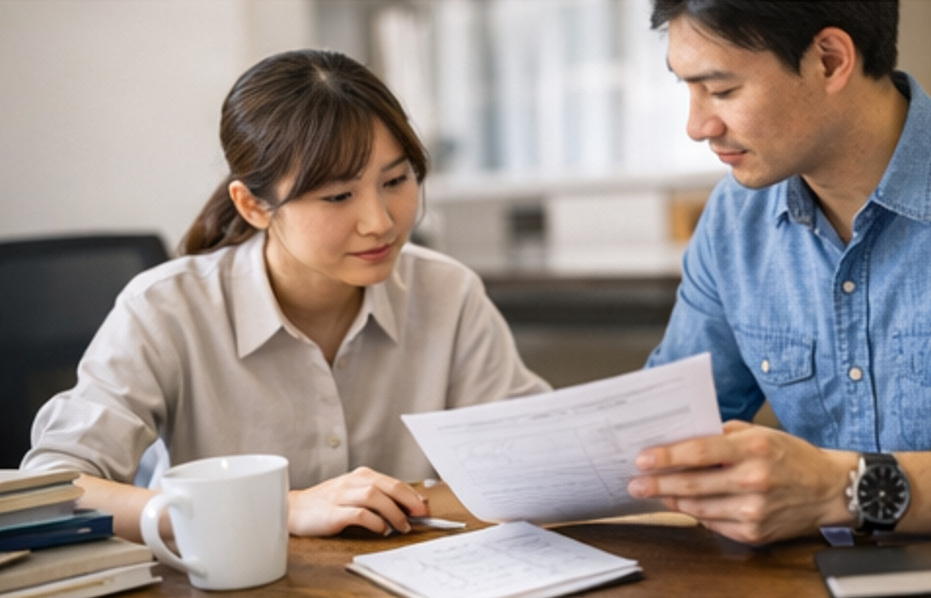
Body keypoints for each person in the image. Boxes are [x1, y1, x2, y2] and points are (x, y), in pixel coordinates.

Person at [22, 49, 549, 542]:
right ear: (254, 206)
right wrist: (279, 510)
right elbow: (51, 493)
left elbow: (535, 460)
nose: (381, 222)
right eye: (338, 196)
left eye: (396, 180)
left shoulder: (447, 292)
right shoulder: (166, 307)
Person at [627, 0, 931, 545]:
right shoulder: (735, 220)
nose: (698, 126)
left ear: (830, 61)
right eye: (687, 89)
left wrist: (842, 489)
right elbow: (666, 436)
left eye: (721, 90)